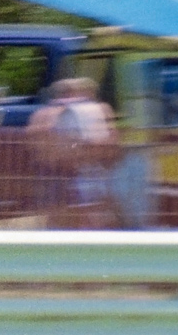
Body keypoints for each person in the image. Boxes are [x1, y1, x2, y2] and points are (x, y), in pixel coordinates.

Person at [27, 77, 119, 227]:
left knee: (59, 215)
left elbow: (35, 142)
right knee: (87, 213)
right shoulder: (94, 110)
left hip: (52, 172)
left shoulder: (42, 113)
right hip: (81, 172)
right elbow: (105, 142)